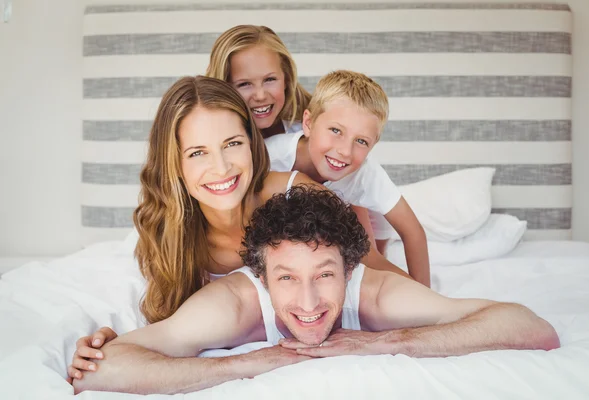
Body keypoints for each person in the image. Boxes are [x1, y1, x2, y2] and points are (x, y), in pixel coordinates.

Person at [67, 74, 412, 381]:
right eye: (197, 152)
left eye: (232, 144)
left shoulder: (296, 194)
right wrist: (116, 343)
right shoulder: (168, 235)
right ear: (174, 163)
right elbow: (172, 327)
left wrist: (410, 315)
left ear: (251, 143)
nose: (221, 168)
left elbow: (379, 273)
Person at [73, 186, 560, 395]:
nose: (308, 305)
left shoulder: (377, 296)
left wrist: (386, 342)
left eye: (325, 275)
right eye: (287, 277)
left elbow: (533, 327)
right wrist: (247, 363)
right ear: (262, 276)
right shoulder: (234, 304)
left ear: (349, 270)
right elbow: (100, 371)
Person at [265, 70, 430, 286]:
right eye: (336, 130)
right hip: (295, 229)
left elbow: (413, 231)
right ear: (308, 123)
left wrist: (425, 293)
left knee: (376, 262)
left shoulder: (366, 174)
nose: (344, 151)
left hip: (360, 222)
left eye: (361, 141)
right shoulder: (270, 156)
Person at [206, 24, 311, 138]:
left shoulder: (311, 129)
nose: (260, 96)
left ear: (287, 79)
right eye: (244, 84)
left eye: (269, 79)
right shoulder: (208, 139)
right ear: (223, 88)